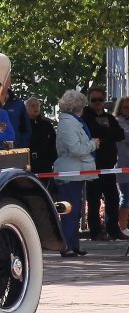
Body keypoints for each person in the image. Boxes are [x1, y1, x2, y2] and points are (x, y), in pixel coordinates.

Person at [54, 89, 96, 256]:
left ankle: (74, 243)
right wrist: (93, 144)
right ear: (78, 106)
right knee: (69, 211)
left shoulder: (73, 121)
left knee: (75, 210)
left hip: (76, 172)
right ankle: (66, 246)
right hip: (69, 173)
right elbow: (76, 149)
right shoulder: (67, 123)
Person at [82, 87, 123, 240]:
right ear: (88, 100)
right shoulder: (85, 116)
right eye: (94, 100)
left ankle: (114, 230)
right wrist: (107, 133)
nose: (97, 103)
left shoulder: (109, 117)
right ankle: (95, 232)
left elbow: (119, 134)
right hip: (93, 164)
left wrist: (104, 135)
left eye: (100, 100)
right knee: (94, 199)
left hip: (109, 165)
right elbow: (92, 131)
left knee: (113, 198)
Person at [27, 97, 57, 187]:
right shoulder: (23, 125)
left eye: (37, 105)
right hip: (29, 163)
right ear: (27, 108)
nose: (36, 108)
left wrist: (52, 160)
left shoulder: (46, 125)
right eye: (32, 106)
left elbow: (53, 143)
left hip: (45, 164)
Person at [115, 97, 129, 235]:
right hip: (123, 165)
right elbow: (126, 136)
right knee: (126, 196)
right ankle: (123, 229)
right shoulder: (118, 122)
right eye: (125, 107)